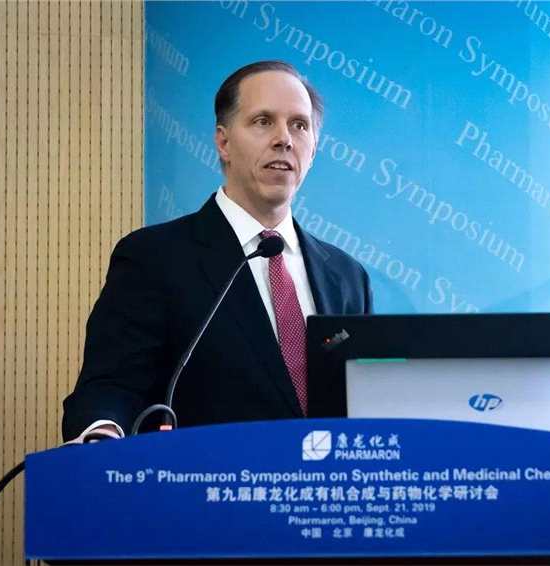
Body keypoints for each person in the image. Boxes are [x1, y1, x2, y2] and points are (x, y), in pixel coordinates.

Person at [61, 61, 372, 442]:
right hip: (204, 478)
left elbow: (363, 404)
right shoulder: (153, 258)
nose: (284, 139)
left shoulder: (347, 276)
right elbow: (111, 386)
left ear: (314, 150)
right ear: (223, 143)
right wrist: (103, 434)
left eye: (299, 125)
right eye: (263, 121)